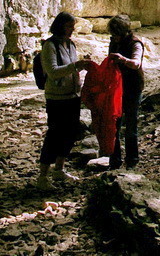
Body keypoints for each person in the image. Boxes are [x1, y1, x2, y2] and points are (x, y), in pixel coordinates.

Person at [36, 12, 92, 190]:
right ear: (60, 26)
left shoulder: (71, 45)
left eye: (72, 26)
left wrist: (81, 67)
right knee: (54, 135)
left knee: (70, 134)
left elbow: (70, 68)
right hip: (56, 98)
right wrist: (75, 66)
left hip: (72, 96)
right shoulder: (49, 46)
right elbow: (52, 72)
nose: (72, 30)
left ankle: (59, 169)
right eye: (69, 26)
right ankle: (43, 176)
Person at [106, 15, 145, 169]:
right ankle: (114, 160)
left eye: (115, 34)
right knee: (114, 124)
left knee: (131, 125)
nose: (113, 37)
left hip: (132, 88)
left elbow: (136, 63)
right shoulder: (113, 42)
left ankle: (132, 160)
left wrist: (122, 59)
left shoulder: (135, 43)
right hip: (117, 87)